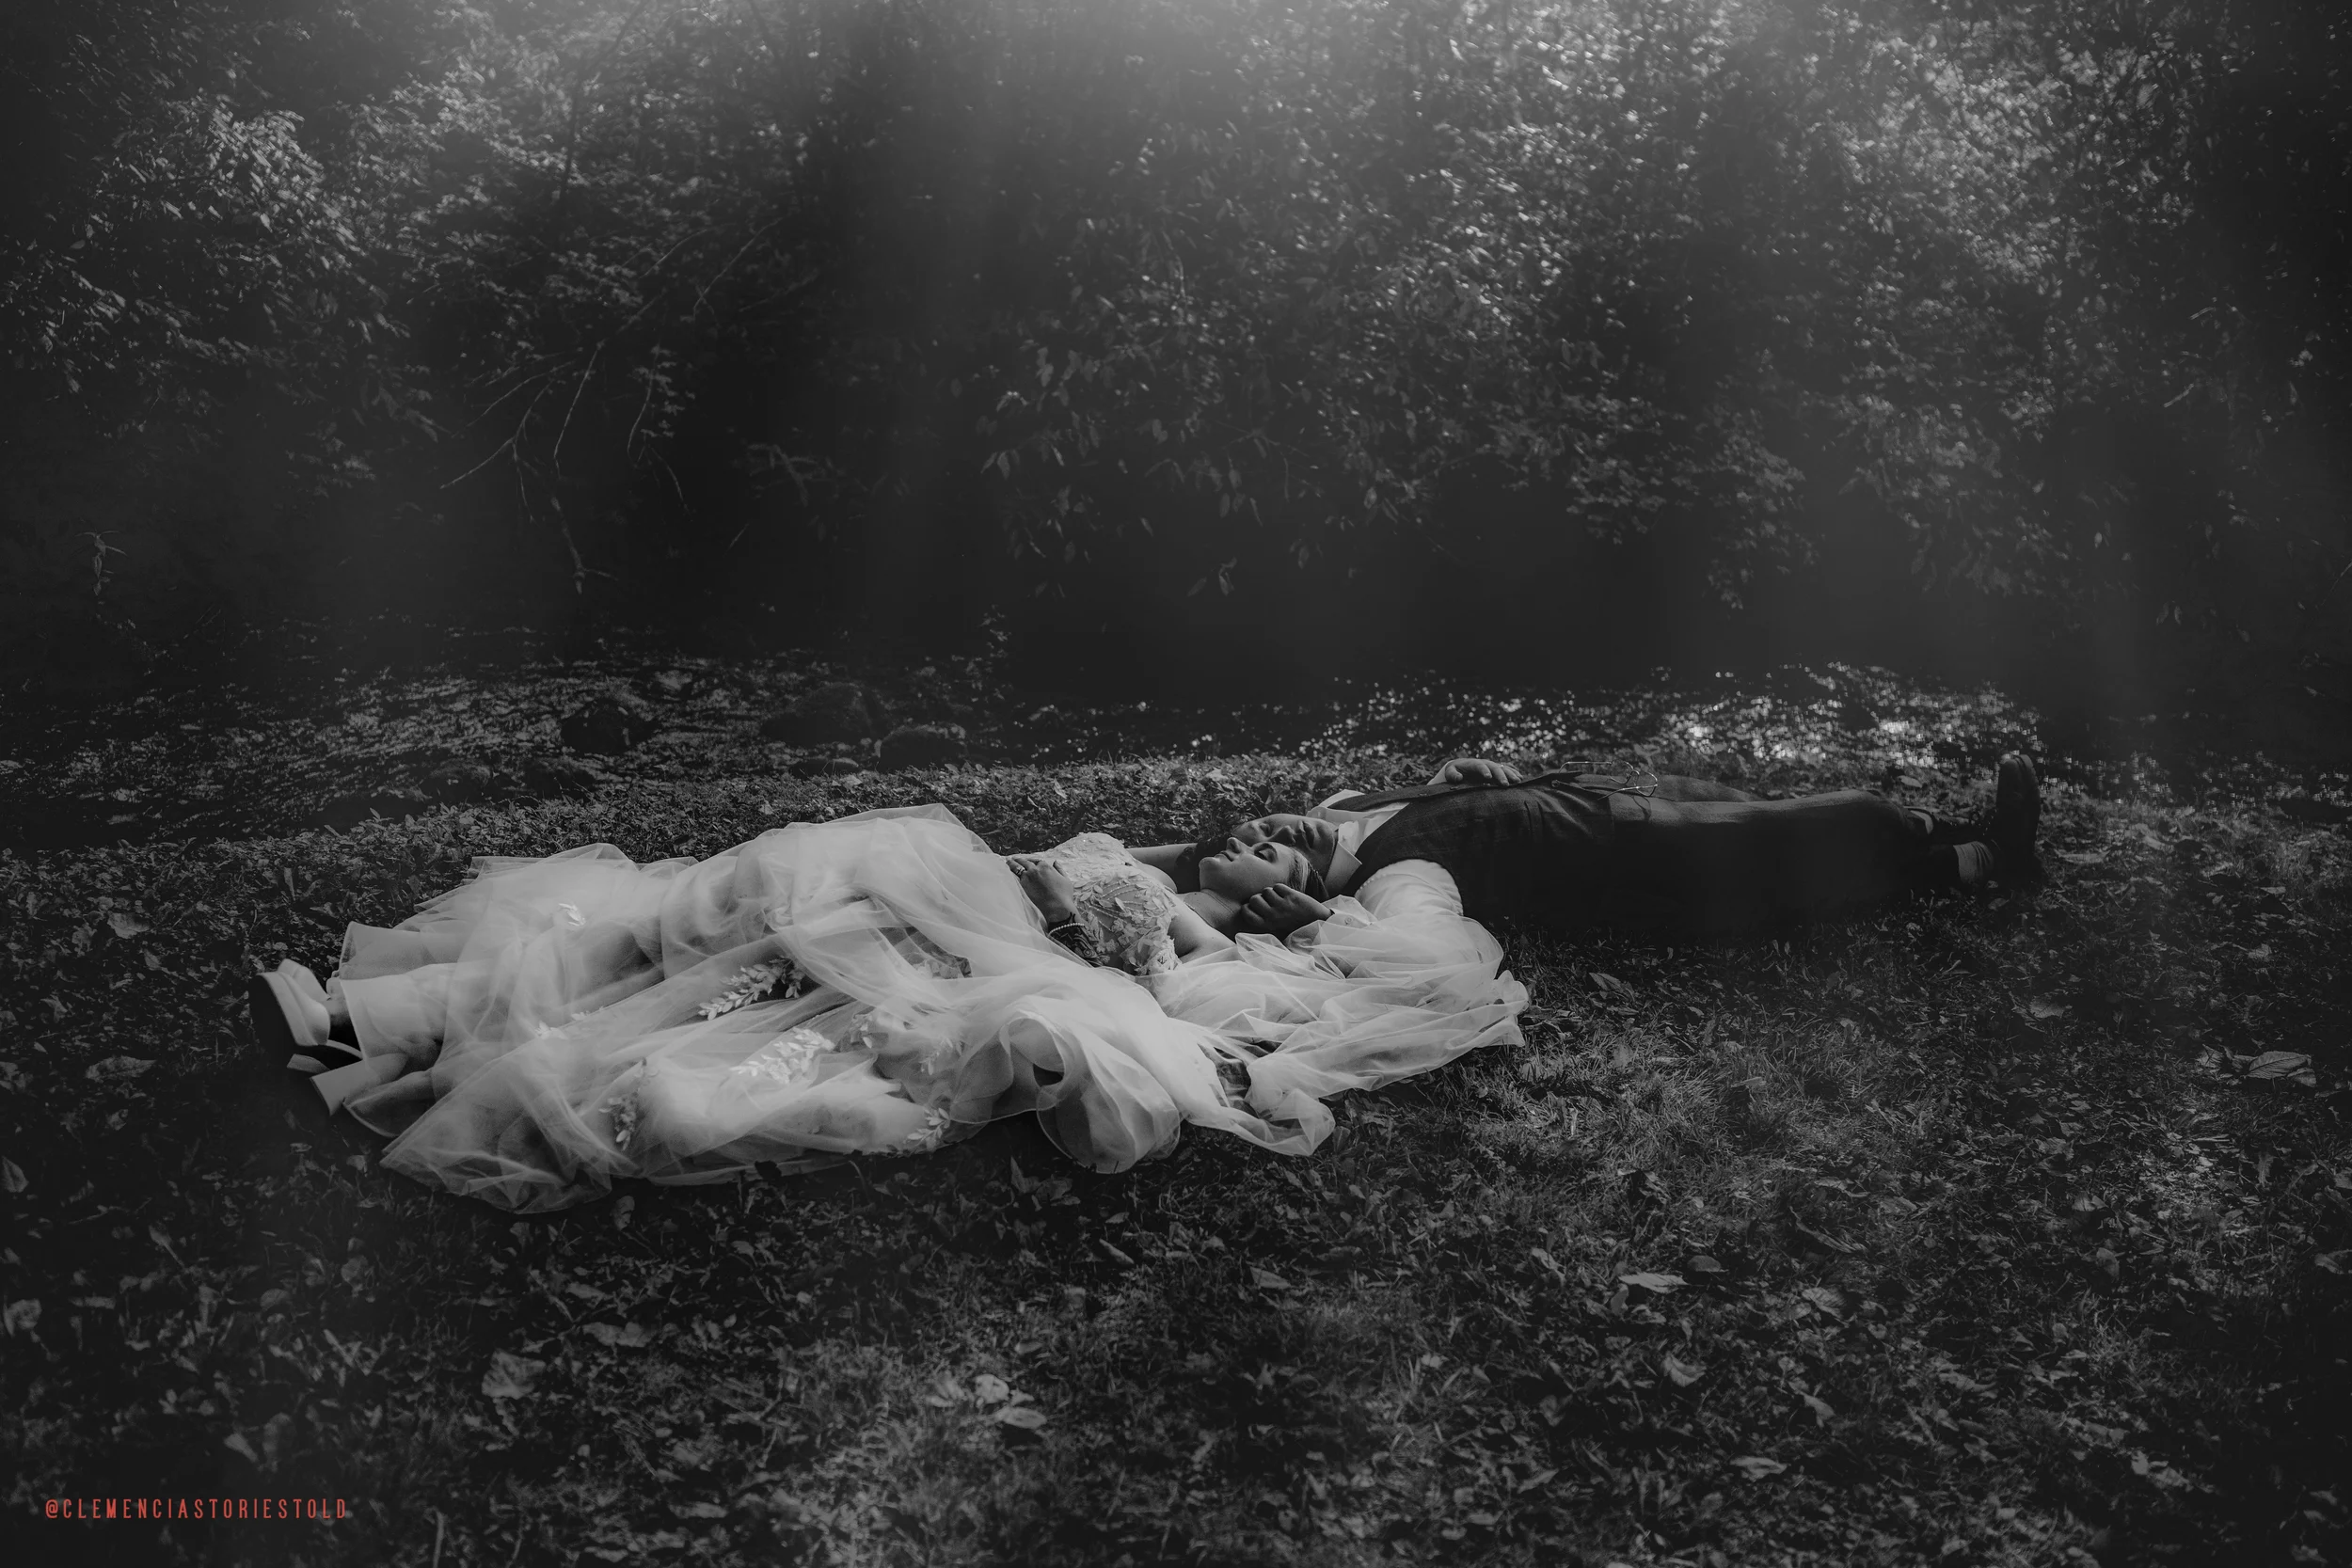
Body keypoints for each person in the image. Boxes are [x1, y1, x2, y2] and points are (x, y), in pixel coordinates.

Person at [247, 806, 1524, 1212]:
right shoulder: (1140, 852)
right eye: (1257, 835)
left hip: (954, 932)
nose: (1257, 841)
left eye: (1283, 858)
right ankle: (379, 1019)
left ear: (1282, 905)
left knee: (726, 978)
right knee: (674, 935)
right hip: (926, 897)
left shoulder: (1196, 926)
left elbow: (1159, 991)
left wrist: (1230, 914)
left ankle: (382, 1047)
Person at [1125, 753, 2042, 941]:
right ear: (1288, 885)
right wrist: (1316, 919)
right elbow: (1418, 955)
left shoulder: (1343, 805)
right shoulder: (1392, 879)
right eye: (1266, 852)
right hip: (1634, 853)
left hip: (1600, 794)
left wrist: (1457, 780)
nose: (1265, 829)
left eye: (1252, 827)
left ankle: (1971, 859)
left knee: (1791, 839)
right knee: (1844, 814)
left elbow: (1168, 857)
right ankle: (1947, 840)